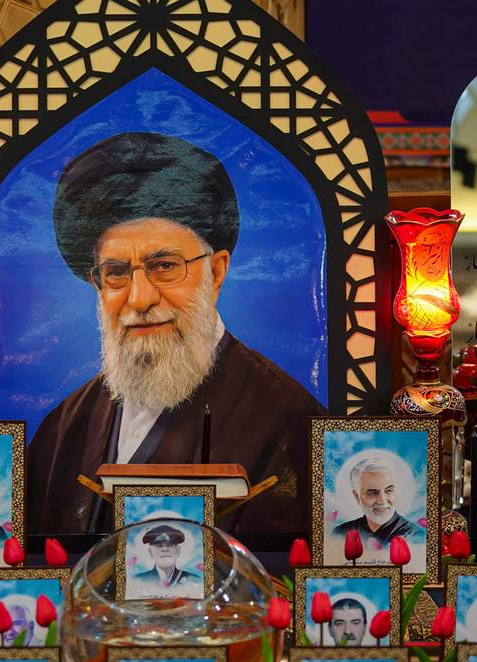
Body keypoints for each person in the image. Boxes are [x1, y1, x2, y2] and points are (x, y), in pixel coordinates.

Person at [27, 131, 324, 537]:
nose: (140, 298)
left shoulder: (292, 425)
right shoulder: (61, 428)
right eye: (116, 273)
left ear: (216, 272)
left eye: (164, 266)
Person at [329, 457, 422, 557]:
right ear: (357, 497)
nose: (382, 500)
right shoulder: (341, 534)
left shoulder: (414, 537)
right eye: (372, 493)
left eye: (389, 490)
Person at [130, 525, 202, 594]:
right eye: (159, 546)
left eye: (170, 545)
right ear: (150, 552)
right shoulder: (137, 581)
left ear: (178, 551)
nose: (165, 549)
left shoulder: (194, 580)